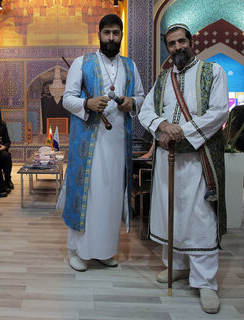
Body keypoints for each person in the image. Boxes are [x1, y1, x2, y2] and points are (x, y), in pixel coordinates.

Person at [138, 23, 228, 314]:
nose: (177, 47)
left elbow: (218, 112)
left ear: (192, 42)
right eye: (171, 44)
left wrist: (182, 130)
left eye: (181, 41)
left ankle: (205, 283)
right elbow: (146, 111)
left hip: (199, 160)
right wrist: (163, 126)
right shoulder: (163, 79)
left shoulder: (213, 72)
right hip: (168, 160)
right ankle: (176, 267)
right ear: (167, 48)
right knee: (170, 212)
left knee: (200, 218)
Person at [61, 14, 144, 272]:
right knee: (86, 196)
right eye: (106, 32)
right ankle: (77, 251)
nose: (111, 38)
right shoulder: (81, 63)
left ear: (121, 35)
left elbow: (141, 97)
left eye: (115, 33)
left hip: (118, 145)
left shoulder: (130, 66)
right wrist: (87, 103)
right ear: (99, 34)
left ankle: (105, 250)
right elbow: (67, 99)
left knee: (110, 199)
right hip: (88, 146)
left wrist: (132, 102)